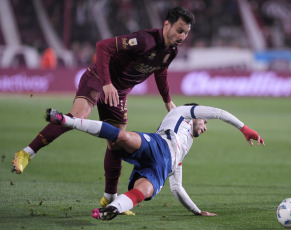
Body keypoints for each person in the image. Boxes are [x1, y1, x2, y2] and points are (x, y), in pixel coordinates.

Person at [12, 7, 195, 213]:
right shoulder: (145, 40)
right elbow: (103, 47)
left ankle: (110, 198)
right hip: (100, 78)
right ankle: (27, 153)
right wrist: (107, 83)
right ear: (167, 24)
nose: (182, 36)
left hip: (119, 92)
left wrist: (168, 102)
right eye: (179, 30)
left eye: (186, 32)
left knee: (117, 140)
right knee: (79, 116)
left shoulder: (171, 51)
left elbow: (160, 71)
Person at [44, 103, 264, 220]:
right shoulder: (183, 113)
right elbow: (218, 112)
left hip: (162, 166)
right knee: (121, 137)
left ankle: (112, 209)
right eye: (204, 122)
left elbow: (176, 186)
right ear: (196, 116)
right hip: (158, 143)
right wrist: (245, 129)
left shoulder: (186, 147)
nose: (205, 126)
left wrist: (197, 211)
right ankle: (68, 121)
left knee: (144, 192)